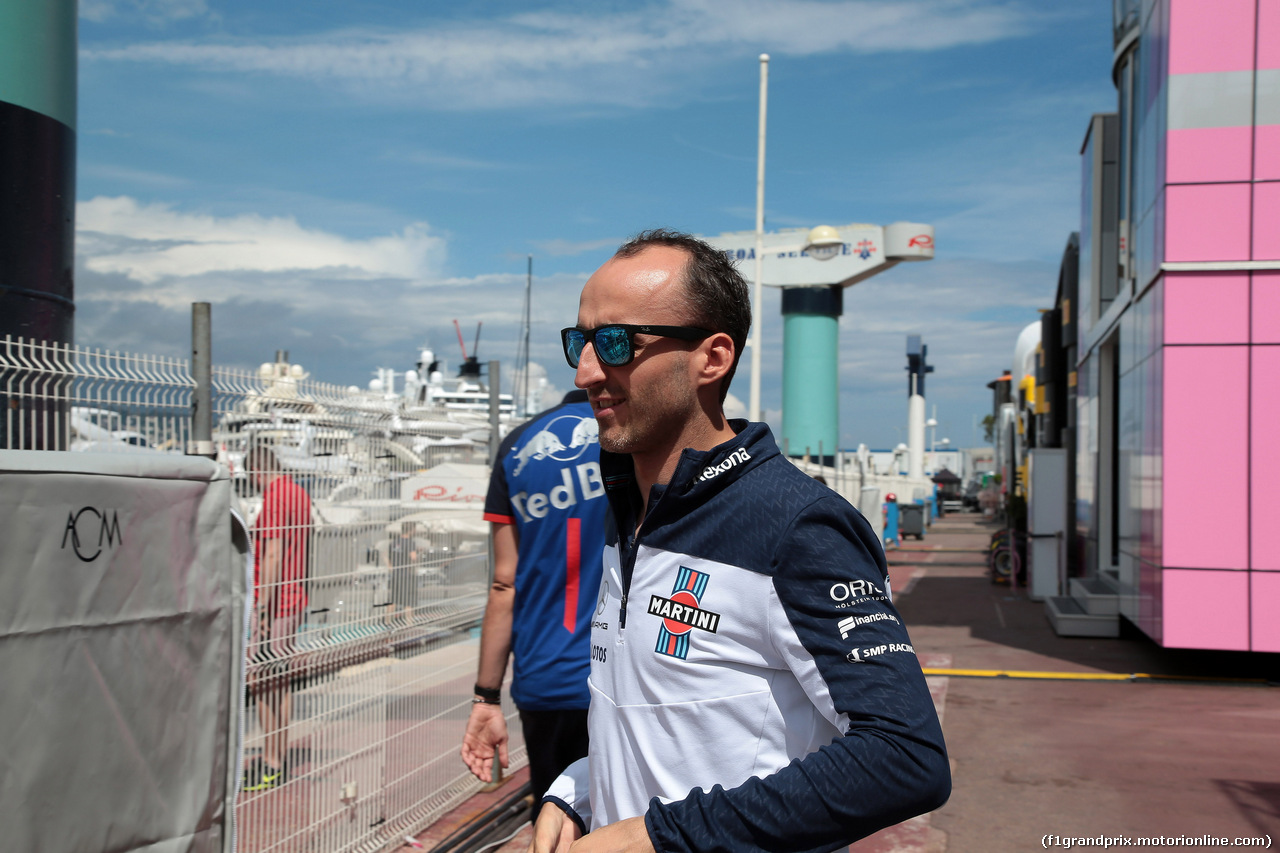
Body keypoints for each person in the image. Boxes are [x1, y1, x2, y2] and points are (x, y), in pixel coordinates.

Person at [533, 230, 950, 852]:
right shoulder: (629, 511)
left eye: (617, 342)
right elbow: (670, 720)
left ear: (713, 357)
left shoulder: (796, 525)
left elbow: (904, 758)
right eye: (581, 341)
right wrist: (579, 788)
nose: (587, 370)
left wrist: (655, 837)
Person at [460, 389, 609, 816]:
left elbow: (504, 583)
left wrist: (486, 698)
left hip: (543, 679)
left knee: (556, 822)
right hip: (617, 677)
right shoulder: (623, 435)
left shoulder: (516, 446)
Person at [243, 444, 312, 792]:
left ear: (256, 472)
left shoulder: (274, 498)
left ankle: (271, 761)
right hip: (294, 596)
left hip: (276, 601)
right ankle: (276, 757)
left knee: (260, 681)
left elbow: (272, 553)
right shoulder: (299, 493)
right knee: (278, 682)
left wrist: (264, 609)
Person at [388, 520, 420, 623]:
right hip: (406, 574)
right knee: (408, 601)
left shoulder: (394, 542)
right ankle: (409, 623)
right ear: (412, 530)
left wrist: (391, 567)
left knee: (393, 600)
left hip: (395, 574)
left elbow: (388, 557)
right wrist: (418, 553)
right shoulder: (410, 542)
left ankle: (387, 622)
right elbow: (413, 558)